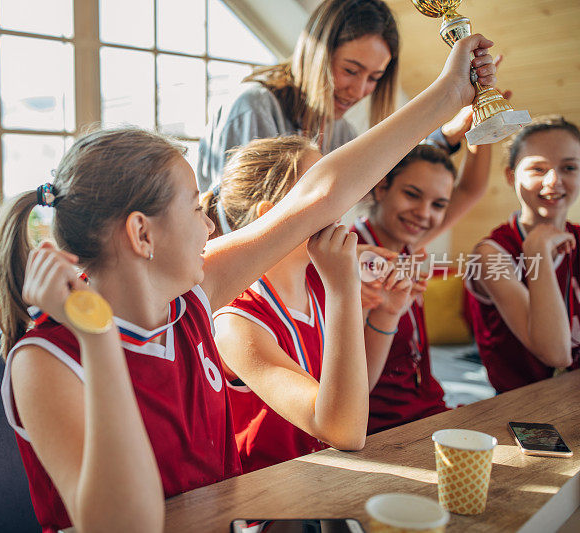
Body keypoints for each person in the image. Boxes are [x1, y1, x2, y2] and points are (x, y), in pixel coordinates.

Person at [0, 33, 495, 532]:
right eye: (193, 207)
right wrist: (98, 342)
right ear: (142, 233)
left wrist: (449, 94)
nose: (210, 226)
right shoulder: (46, 361)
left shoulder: (189, 303)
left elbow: (319, 194)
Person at [203, 136, 394, 472]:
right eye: (322, 194)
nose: (340, 202)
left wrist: (388, 313)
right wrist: (344, 288)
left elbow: (353, 394)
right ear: (272, 216)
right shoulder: (236, 321)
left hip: (322, 482)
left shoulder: (317, 286)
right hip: (269, 507)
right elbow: (344, 431)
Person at [197, 0, 471, 192]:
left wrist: (446, 136)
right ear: (317, 56)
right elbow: (241, 224)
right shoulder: (254, 108)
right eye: (350, 70)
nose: (360, 91)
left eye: (374, 78)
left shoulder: (339, 130)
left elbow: (384, 177)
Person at [354, 122, 495, 433]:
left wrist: (484, 119)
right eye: (412, 194)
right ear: (381, 187)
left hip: (426, 408)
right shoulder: (350, 253)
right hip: (379, 425)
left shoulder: (407, 244)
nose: (423, 213)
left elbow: (472, 189)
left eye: (438, 205)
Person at [465, 116, 580, 394]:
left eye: (569, 167)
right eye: (538, 169)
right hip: (521, 407)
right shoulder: (490, 254)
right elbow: (555, 354)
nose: (554, 181)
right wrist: (537, 252)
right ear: (510, 176)